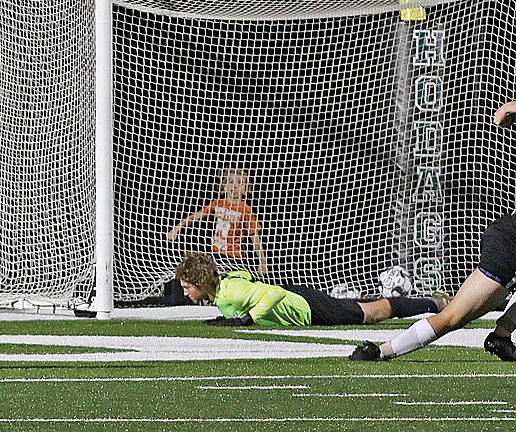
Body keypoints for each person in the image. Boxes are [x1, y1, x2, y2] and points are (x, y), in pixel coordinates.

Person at [349, 100, 516, 361]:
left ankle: (502, 334)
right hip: (509, 244)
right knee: (453, 317)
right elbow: (506, 109)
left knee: (453, 316)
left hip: (506, 236)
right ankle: (382, 351)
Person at [175, 252, 449, 328]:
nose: (186, 292)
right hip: (303, 305)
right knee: (362, 309)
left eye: (188, 287)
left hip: (306, 306)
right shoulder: (223, 291)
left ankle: (434, 304)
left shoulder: (231, 291)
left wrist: (247, 319)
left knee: (371, 314)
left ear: (200, 282)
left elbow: (273, 293)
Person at [167, 168, 268, 275]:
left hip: (234, 257)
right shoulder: (218, 204)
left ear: (246, 190)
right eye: (231, 182)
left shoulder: (245, 209)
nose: (235, 186)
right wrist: (176, 228)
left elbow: (254, 237)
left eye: (240, 183)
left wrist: (262, 261)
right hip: (215, 254)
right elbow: (195, 217)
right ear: (224, 187)